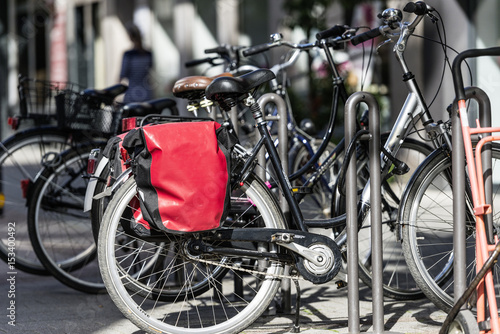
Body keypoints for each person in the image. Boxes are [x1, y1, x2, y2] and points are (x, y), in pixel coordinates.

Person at [120, 23, 153, 103]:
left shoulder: (128, 55)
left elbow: (123, 74)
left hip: (132, 94)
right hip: (146, 94)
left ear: (130, 36)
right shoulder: (148, 54)